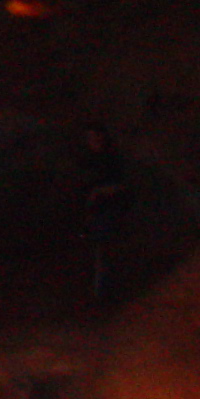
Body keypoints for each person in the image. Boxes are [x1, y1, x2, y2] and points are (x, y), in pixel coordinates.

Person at [78, 122, 131, 305]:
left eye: (96, 137)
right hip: (95, 211)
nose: (93, 141)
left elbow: (120, 185)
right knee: (97, 250)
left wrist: (99, 192)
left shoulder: (110, 159)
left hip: (109, 211)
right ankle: (99, 291)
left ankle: (103, 293)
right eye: (90, 138)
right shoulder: (89, 160)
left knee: (105, 250)